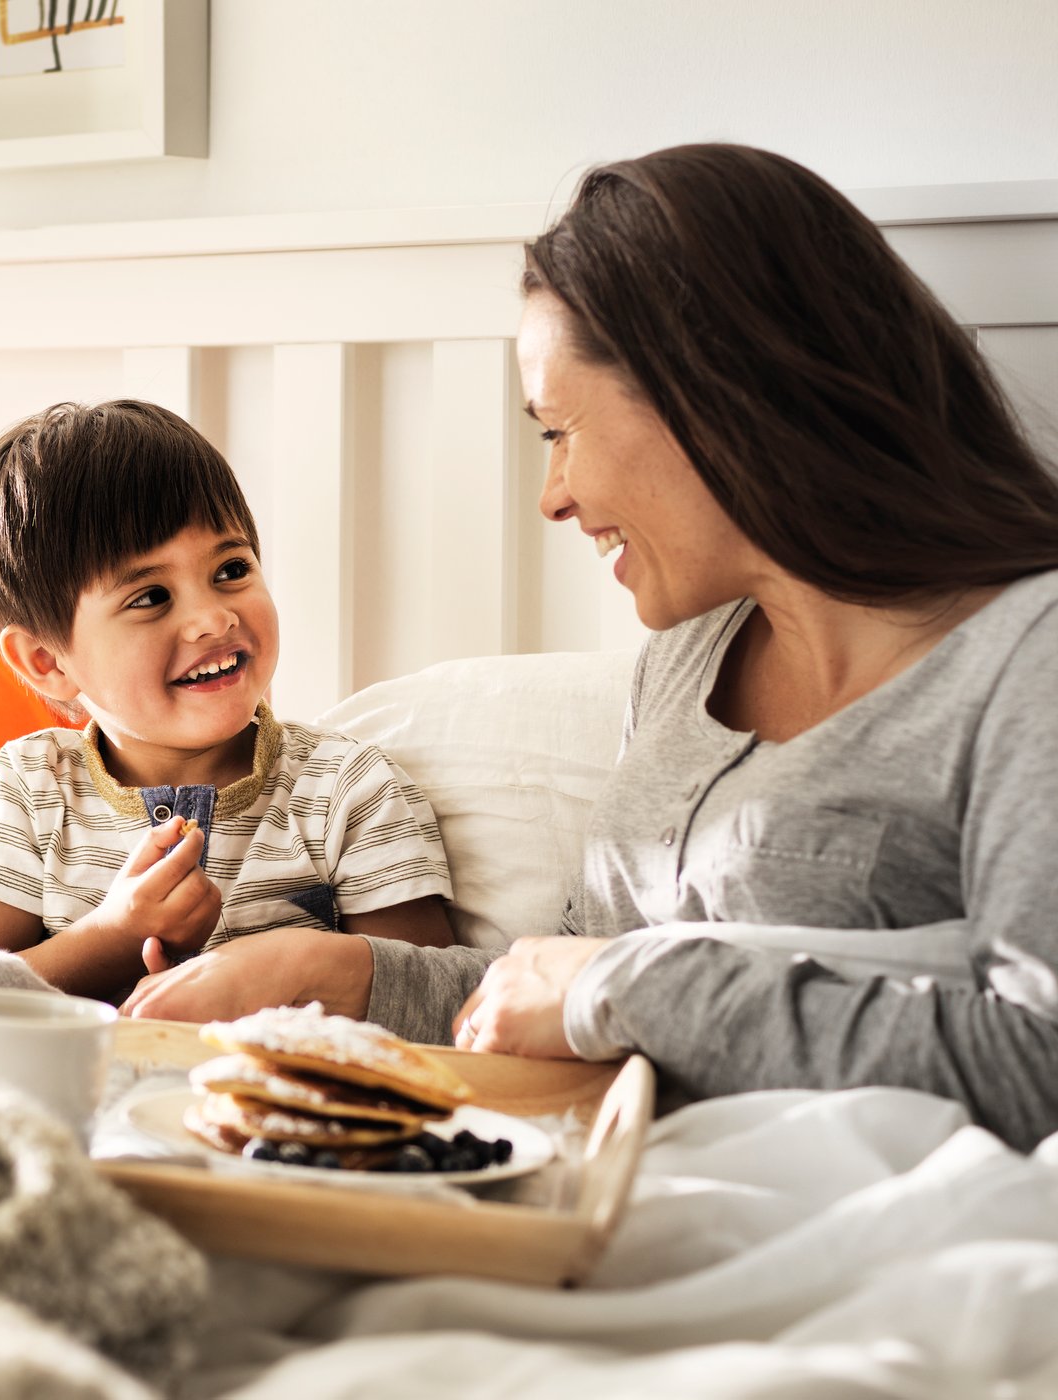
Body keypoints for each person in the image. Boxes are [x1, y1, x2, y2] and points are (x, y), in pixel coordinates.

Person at [122, 143, 1058, 1151]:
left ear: (711, 396)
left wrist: (627, 982)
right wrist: (334, 973)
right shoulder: (687, 662)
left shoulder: (1026, 655)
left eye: (556, 431)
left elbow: (1034, 1064)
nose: (552, 494)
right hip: (609, 1184)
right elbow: (566, 999)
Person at [0, 399, 453, 1005]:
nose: (213, 617)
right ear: (47, 662)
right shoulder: (34, 789)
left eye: (231, 569)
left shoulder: (347, 789)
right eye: (151, 596)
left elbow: (432, 1006)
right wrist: (115, 936)